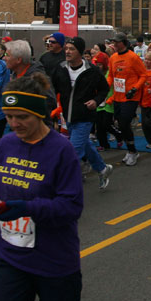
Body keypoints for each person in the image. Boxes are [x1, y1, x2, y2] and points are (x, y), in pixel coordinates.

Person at [0, 74, 83, 301]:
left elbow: (72, 207)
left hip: (54, 261)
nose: (14, 124)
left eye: (22, 117)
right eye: (9, 117)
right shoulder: (6, 144)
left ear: (39, 113)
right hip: (12, 258)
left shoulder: (62, 150)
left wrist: (26, 208)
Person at [50, 37, 112, 190]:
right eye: (67, 49)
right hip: (68, 117)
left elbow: (104, 89)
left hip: (85, 117)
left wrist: (95, 101)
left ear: (80, 52)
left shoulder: (91, 71)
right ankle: (103, 169)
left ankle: (61, 187)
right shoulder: (61, 68)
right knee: (86, 145)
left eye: (72, 49)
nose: (68, 52)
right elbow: (52, 89)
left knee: (73, 152)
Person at [107, 32, 147, 166]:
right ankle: (130, 150)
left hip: (131, 97)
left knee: (124, 123)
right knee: (120, 124)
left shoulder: (133, 57)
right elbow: (111, 76)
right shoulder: (112, 58)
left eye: (116, 42)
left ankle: (133, 151)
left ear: (123, 43)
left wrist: (135, 88)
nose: (114, 44)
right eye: (113, 42)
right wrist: (105, 87)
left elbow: (143, 75)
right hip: (118, 96)